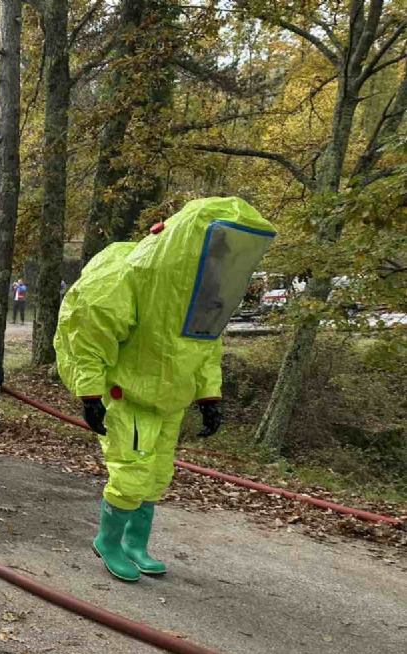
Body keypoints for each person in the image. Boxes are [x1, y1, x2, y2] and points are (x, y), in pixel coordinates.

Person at [54, 196, 275, 581]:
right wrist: (90, 394)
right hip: (131, 395)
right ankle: (108, 541)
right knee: (130, 475)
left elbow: (205, 346)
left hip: (171, 400)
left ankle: (134, 544)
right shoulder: (136, 276)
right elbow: (90, 334)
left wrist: (210, 397)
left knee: (157, 475)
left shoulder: (204, 293)